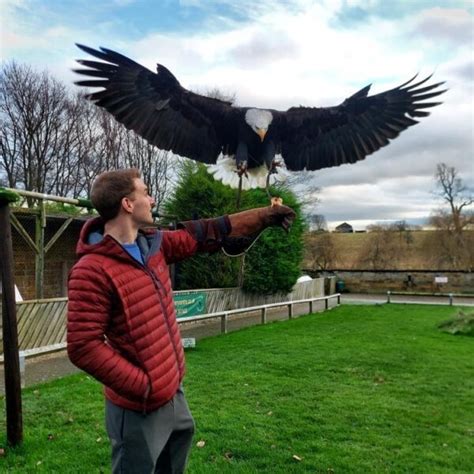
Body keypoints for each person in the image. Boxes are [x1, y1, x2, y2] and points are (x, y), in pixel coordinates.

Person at [66, 168, 296, 473]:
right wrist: (144, 385)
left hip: (174, 393)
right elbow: (83, 346)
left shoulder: (153, 247)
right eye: (145, 192)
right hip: (139, 407)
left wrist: (264, 216)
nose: (152, 198)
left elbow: (202, 233)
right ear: (128, 204)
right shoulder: (92, 269)